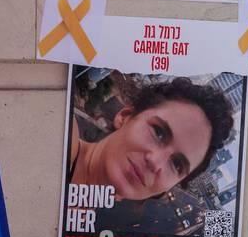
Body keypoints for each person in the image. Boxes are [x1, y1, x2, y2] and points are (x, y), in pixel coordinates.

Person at [67, 77, 236, 202]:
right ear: (125, 116)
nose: (155, 162)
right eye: (159, 132)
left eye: (177, 165)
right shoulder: (63, 142)